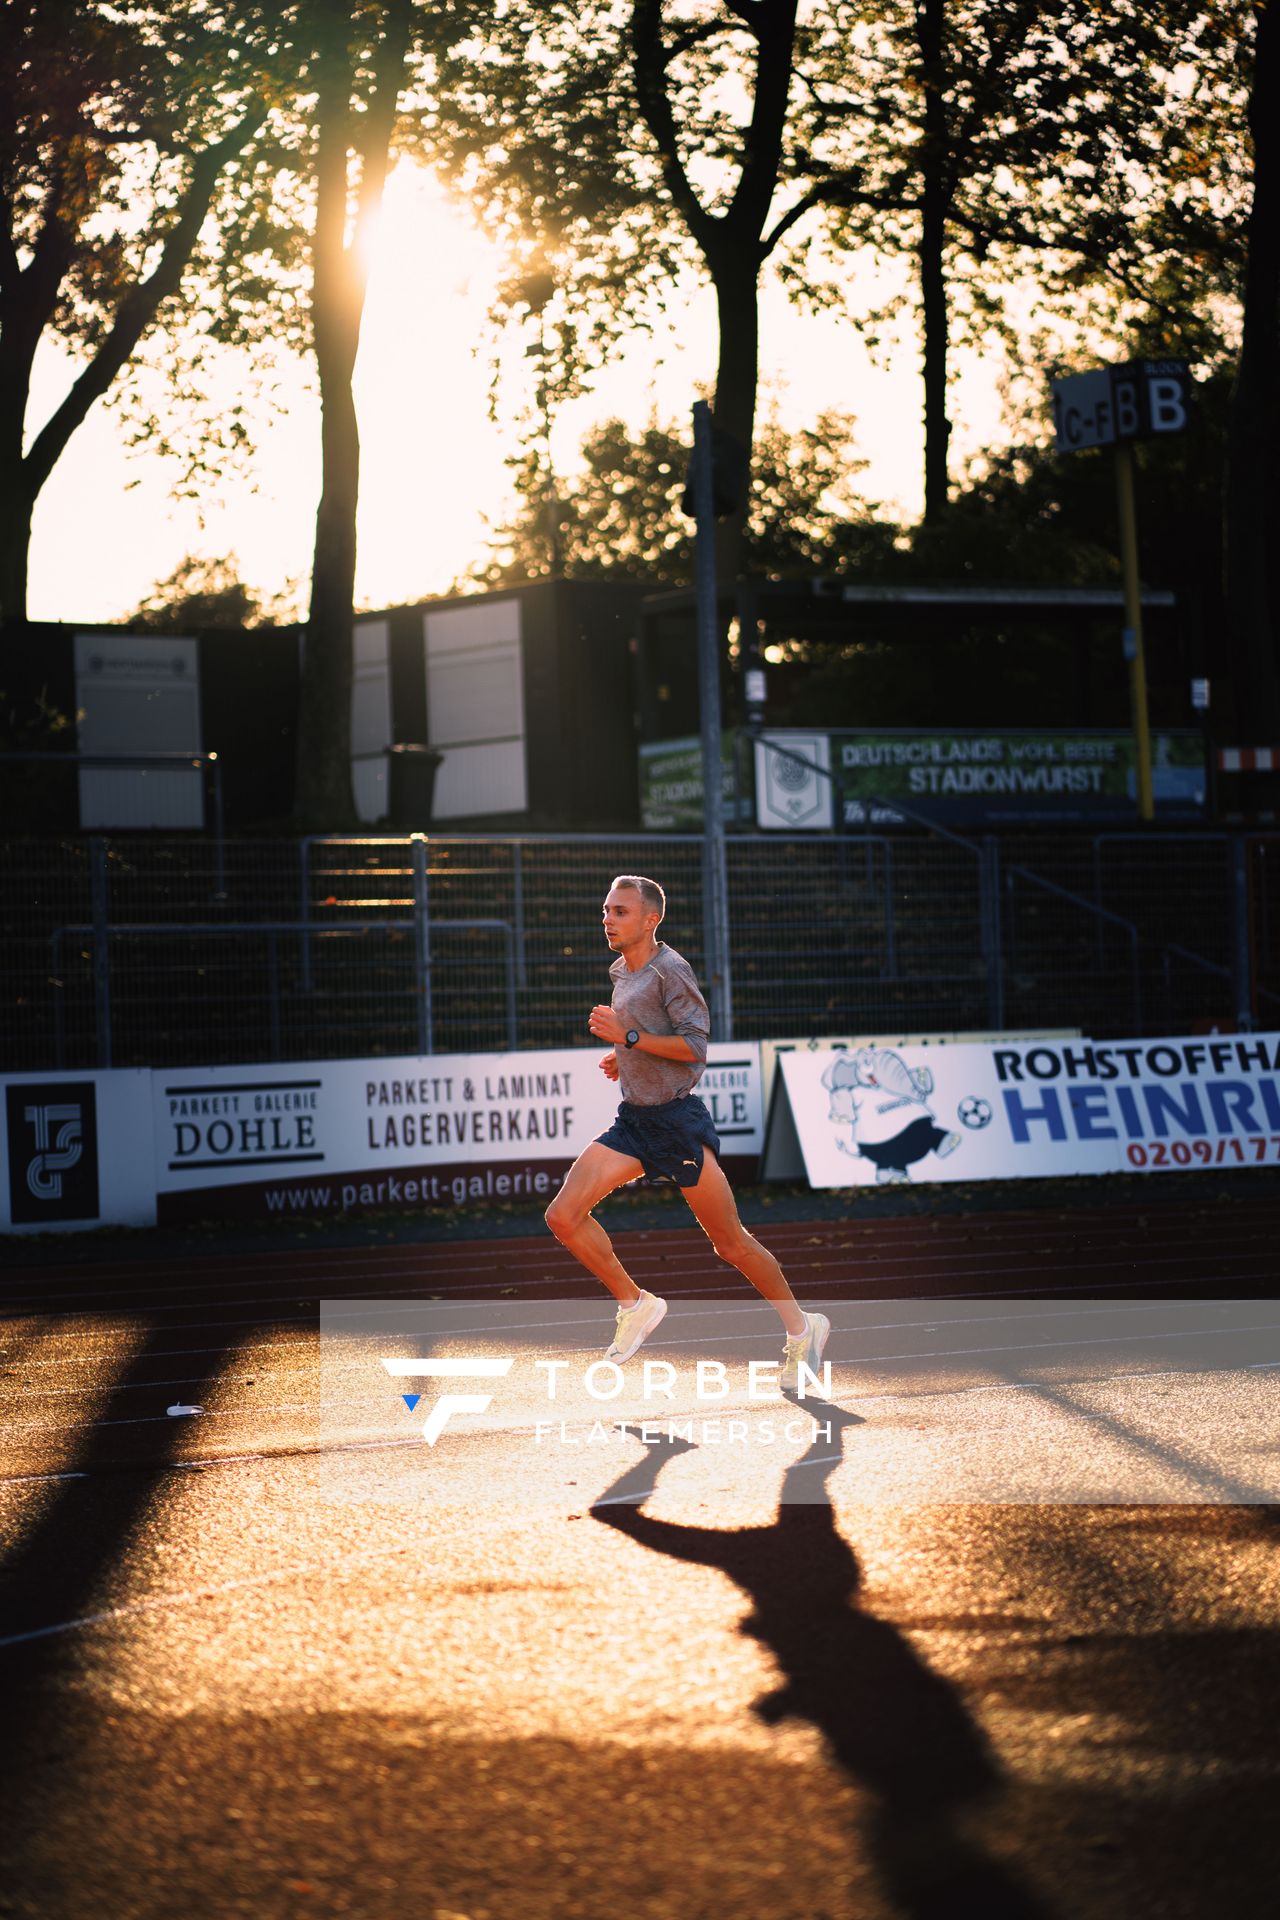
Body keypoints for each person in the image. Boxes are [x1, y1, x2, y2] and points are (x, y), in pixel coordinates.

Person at [544, 874, 829, 1391]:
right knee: (563, 1216)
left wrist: (629, 1035)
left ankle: (802, 1330)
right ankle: (636, 1302)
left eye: (620, 912)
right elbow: (652, 1038)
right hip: (634, 1122)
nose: (607, 919)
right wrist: (624, 1054)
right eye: (606, 910)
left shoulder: (669, 969)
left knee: (730, 1244)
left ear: (651, 919)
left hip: (676, 1123)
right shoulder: (620, 970)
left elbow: (695, 1048)